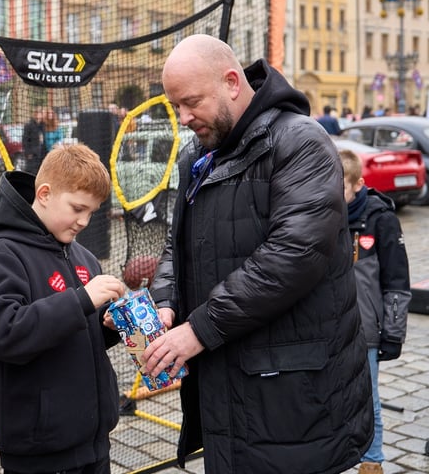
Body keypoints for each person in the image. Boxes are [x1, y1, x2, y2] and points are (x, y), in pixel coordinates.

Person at [141, 34, 372, 473]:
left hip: (295, 396)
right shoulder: (198, 154)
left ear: (231, 82)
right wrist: (166, 303)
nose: (184, 118)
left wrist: (199, 329)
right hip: (227, 387)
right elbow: (178, 243)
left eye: (191, 102)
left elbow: (293, 256)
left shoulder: (301, 142)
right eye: (175, 106)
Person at [0, 143, 127, 474]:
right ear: (43, 194)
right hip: (40, 450)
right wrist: (82, 299)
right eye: (77, 208)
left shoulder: (82, 256)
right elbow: (5, 334)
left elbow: (75, 330)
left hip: (93, 441)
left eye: (92, 212)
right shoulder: (2, 253)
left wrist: (107, 327)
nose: (84, 221)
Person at [340, 149, 412, 474]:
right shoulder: (323, 215)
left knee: (367, 401)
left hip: (366, 331)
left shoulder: (380, 219)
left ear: (358, 183)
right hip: (329, 329)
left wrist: (393, 334)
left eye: (339, 184)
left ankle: (371, 462)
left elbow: (397, 281)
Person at [21, 108, 45, 174]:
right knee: (31, 173)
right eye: (36, 113)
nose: (38, 115)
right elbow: (25, 141)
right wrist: (28, 153)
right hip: (32, 154)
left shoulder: (42, 125)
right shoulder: (29, 125)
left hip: (41, 154)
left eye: (39, 113)